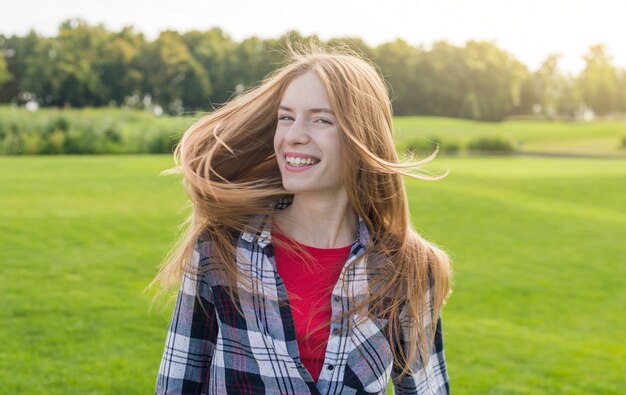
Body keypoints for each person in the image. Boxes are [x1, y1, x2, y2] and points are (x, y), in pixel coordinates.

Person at [154, 44, 452, 395]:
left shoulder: (410, 268)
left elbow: (426, 388)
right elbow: (178, 381)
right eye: (286, 117)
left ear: (362, 136)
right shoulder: (220, 248)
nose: (294, 134)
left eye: (321, 119)